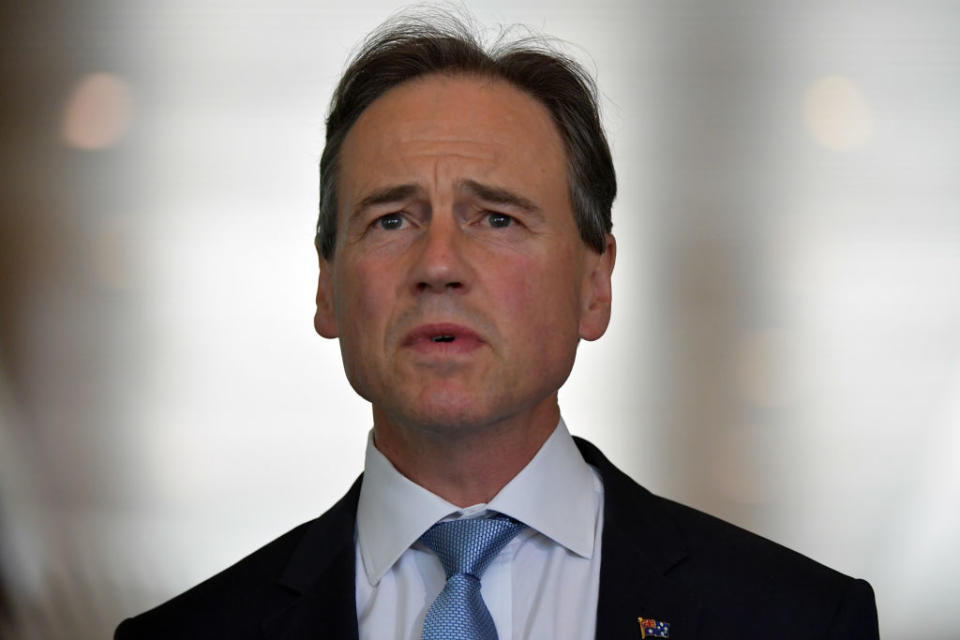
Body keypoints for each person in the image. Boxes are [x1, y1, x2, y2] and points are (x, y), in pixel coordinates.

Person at [115, 11, 879, 640]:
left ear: (594, 282)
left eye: (497, 217)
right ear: (326, 287)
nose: (438, 262)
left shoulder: (798, 620)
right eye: (390, 220)